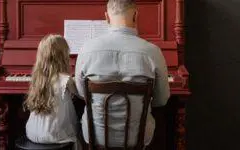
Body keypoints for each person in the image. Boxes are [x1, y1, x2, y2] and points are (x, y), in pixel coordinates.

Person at [74, 0, 170, 148]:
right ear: (136, 16)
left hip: (96, 138)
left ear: (106, 17)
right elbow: (161, 100)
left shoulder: (86, 49)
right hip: (137, 140)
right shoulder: (152, 52)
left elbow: (82, 95)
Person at [23, 34, 81, 149]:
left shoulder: (38, 79)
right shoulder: (66, 79)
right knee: (83, 129)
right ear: (63, 57)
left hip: (32, 133)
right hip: (55, 135)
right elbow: (83, 95)